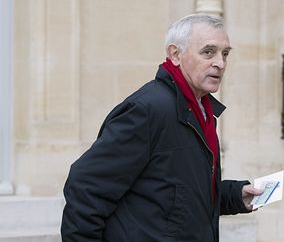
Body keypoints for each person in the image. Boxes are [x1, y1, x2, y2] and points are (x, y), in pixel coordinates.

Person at [61, 13, 262, 242]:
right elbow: (86, 188)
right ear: (175, 54)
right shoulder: (147, 110)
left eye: (225, 53)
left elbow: (177, 195)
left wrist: (235, 196)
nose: (220, 63)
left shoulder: (202, 111)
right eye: (209, 52)